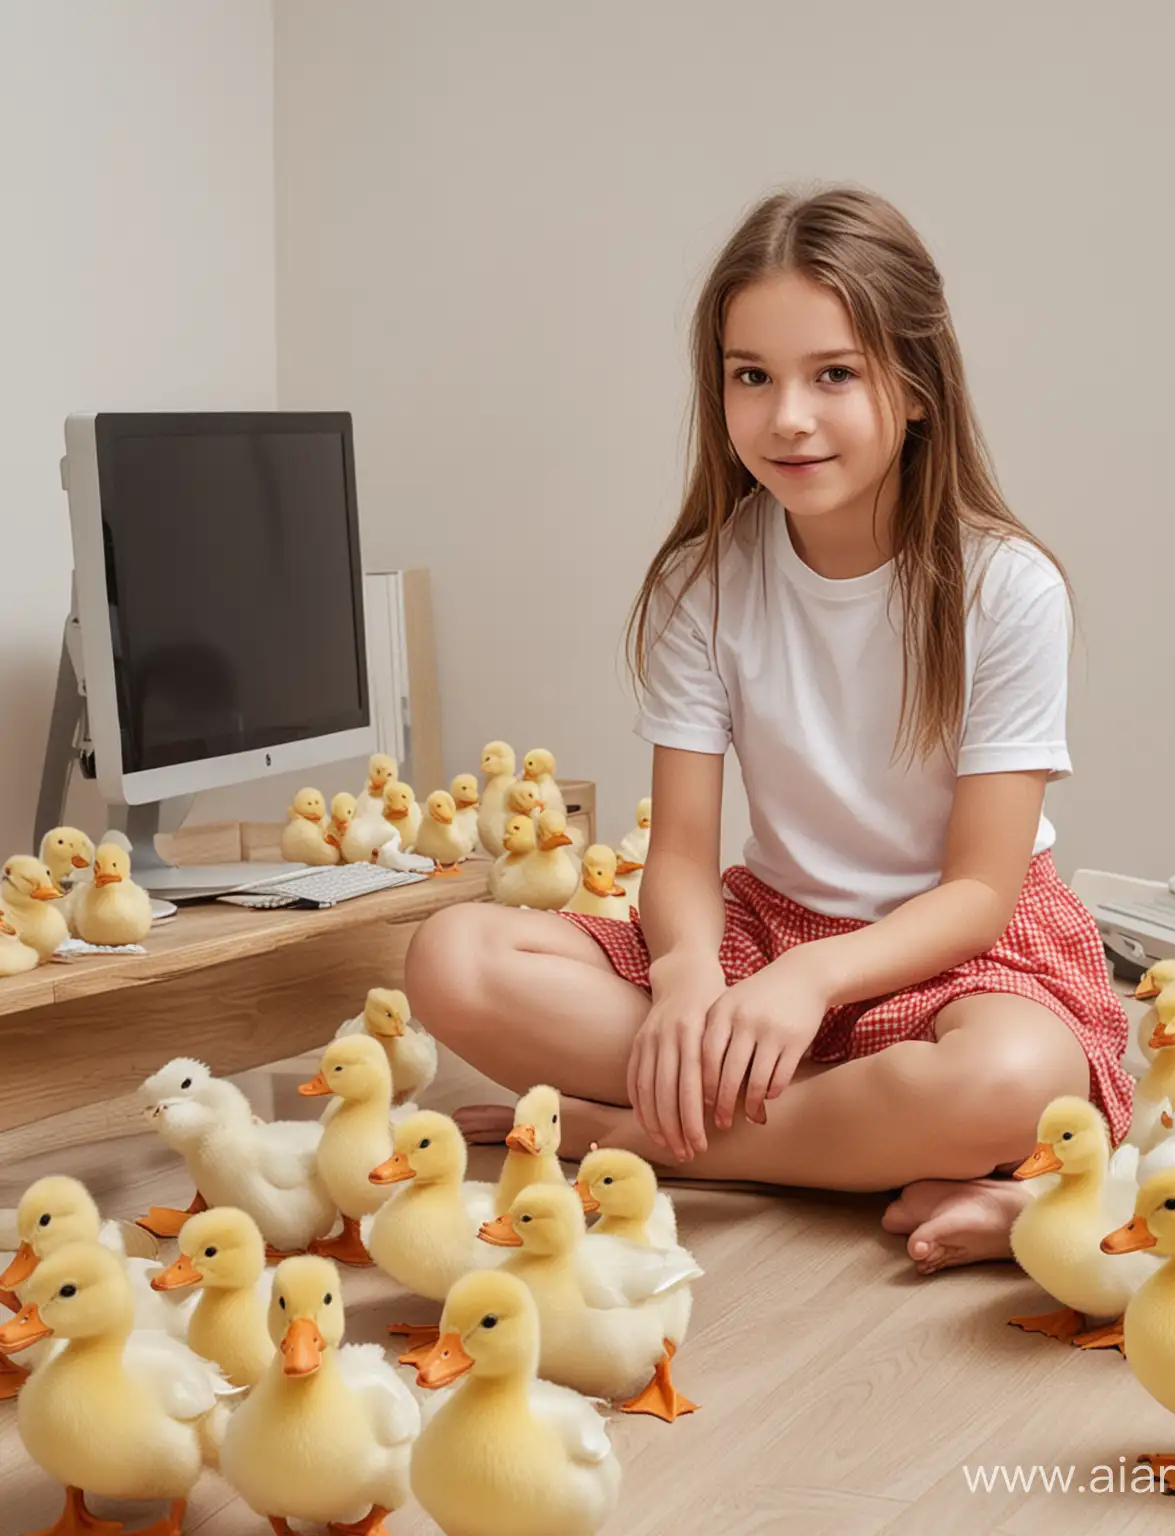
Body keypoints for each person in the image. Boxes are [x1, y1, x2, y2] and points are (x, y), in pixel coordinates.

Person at [406, 185, 1132, 1273]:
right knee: (454, 956)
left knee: (1013, 1076)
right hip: (767, 933)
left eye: (833, 374)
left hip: (957, 950)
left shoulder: (1006, 587)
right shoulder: (707, 580)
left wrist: (812, 987)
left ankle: (668, 1144)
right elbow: (685, 853)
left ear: (919, 386)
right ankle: (859, 1137)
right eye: (752, 377)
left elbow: (981, 893)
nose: (787, 416)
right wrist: (695, 978)